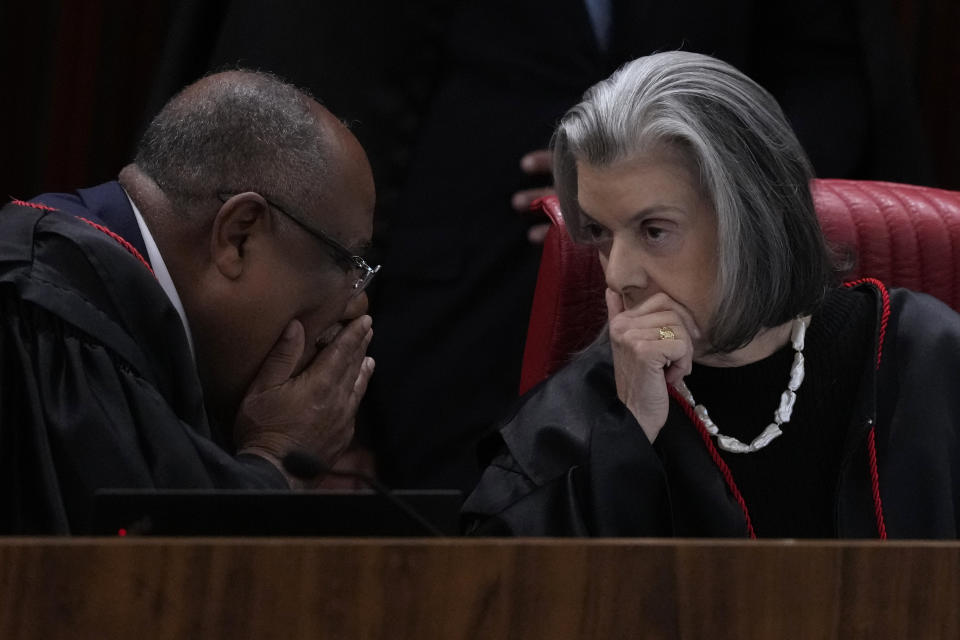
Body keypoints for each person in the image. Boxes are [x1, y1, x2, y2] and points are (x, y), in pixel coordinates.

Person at [462, 52, 960, 538]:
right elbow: (506, 599)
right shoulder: (571, 419)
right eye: (599, 233)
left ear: (755, 220)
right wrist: (629, 428)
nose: (618, 275)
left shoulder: (929, 360)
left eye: (654, 231)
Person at [0, 70, 379, 534]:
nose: (354, 307)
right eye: (348, 263)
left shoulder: (110, 308)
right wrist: (275, 463)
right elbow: (124, 588)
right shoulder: (45, 316)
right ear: (239, 235)